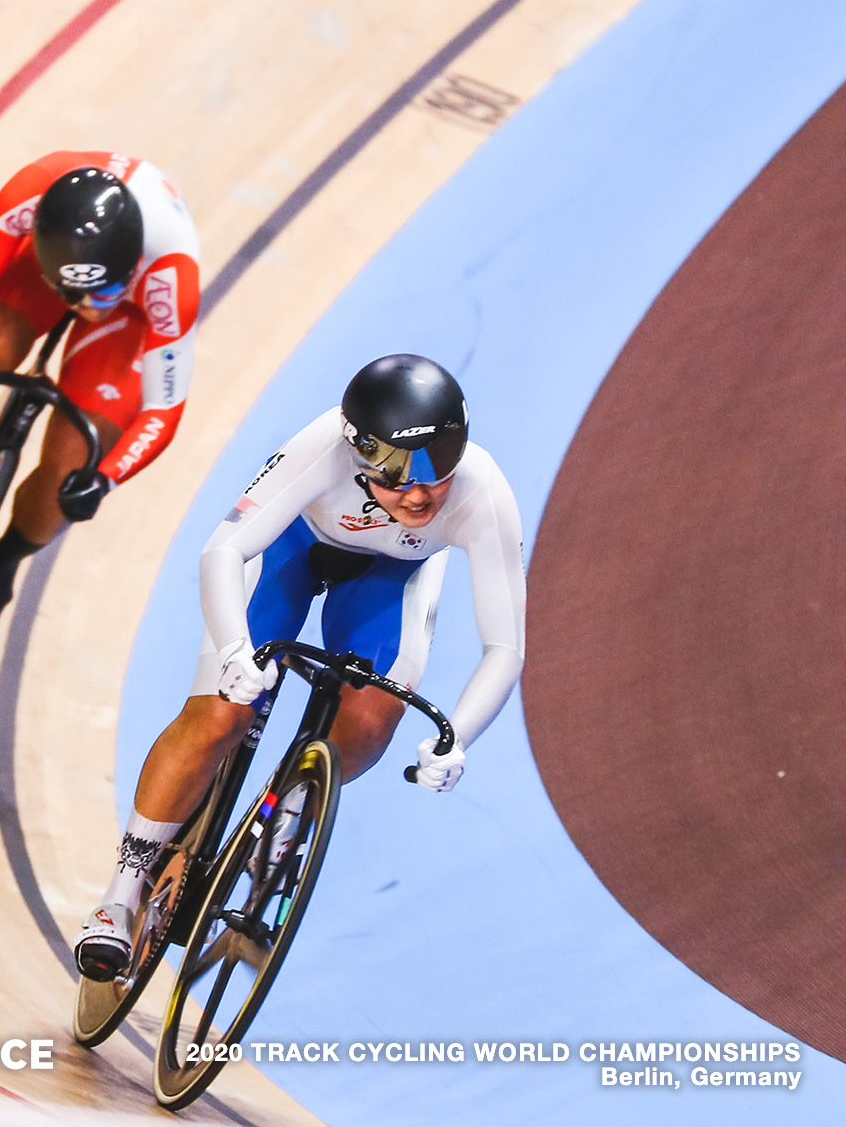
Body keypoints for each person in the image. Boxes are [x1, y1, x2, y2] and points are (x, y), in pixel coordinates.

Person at [72, 355, 526, 980]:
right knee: (221, 716)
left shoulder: (484, 492)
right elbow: (224, 550)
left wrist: (459, 741)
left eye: (438, 471)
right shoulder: (323, 448)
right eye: (396, 475)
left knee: (371, 717)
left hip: (391, 578)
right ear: (361, 453)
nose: (419, 494)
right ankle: (121, 893)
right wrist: (235, 650)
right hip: (293, 547)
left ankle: (286, 818)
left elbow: (505, 646)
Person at [0, 153, 199, 647]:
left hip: (133, 313)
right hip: (43, 267)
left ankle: (5, 555)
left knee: (78, 455)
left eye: (100, 295)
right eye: (76, 297)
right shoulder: (31, 192)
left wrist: (103, 479)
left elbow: (163, 408)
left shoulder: (170, 275)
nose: (85, 311)